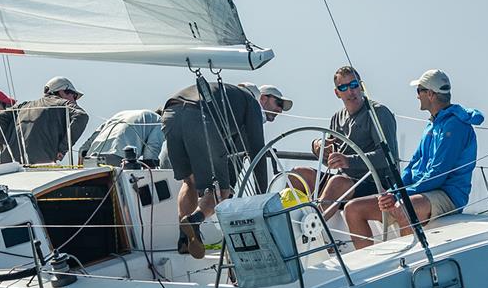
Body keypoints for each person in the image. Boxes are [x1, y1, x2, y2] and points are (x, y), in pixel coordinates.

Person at [344, 69, 484, 249]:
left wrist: (400, 194)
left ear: (431, 94)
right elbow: (412, 167)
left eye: (419, 90)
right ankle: (364, 270)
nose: (417, 96)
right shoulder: (431, 124)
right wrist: (393, 191)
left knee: (403, 206)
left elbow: (438, 174)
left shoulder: (455, 126)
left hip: (448, 194)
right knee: (353, 209)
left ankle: (405, 265)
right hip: (419, 192)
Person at [162, 81, 292, 258]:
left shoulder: (227, 95)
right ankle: (194, 221)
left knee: (190, 181)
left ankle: (184, 240)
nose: (279, 110)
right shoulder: (251, 103)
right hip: (198, 117)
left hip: (170, 114)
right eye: (278, 104)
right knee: (221, 191)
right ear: (261, 98)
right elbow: (257, 153)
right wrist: (262, 200)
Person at [291, 66, 398, 219]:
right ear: (337, 92)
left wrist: (348, 161)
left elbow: (388, 157)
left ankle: (312, 228)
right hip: (344, 185)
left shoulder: (378, 112)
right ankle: (285, 226)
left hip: (377, 186)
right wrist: (318, 146)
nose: (350, 91)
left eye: (354, 85)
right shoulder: (336, 118)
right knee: (299, 174)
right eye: (343, 87)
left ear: (361, 86)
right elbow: (329, 159)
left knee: (338, 182)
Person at [0, 76, 88, 164]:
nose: (75, 100)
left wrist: (5, 147)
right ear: (62, 92)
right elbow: (82, 116)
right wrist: (62, 148)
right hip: (40, 165)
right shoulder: (64, 104)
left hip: (9, 164)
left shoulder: (23, 106)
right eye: (74, 96)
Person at [79, 109, 164, 167]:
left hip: (92, 156)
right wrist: (151, 167)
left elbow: (94, 136)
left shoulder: (121, 114)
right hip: (120, 155)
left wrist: (82, 154)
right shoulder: (161, 121)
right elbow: (152, 147)